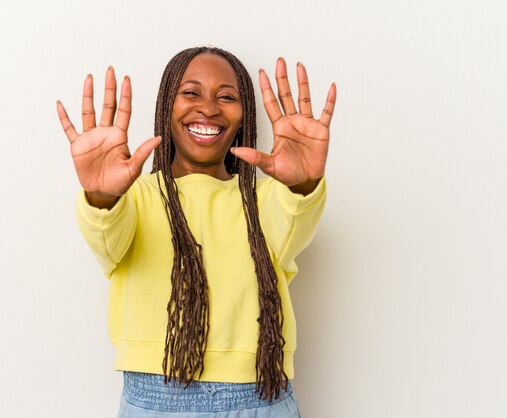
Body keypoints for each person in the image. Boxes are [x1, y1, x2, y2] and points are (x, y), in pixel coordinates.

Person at [56, 46, 336, 417]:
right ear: (165, 107)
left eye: (227, 97)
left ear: (244, 116)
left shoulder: (265, 198)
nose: (208, 108)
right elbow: (107, 240)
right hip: (156, 401)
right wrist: (102, 194)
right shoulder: (133, 197)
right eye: (190, 93)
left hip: (261, 397)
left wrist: (304, 183)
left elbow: (296, 220)